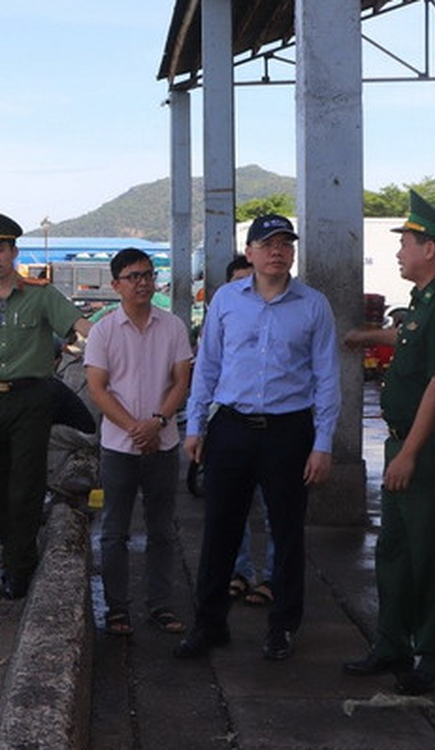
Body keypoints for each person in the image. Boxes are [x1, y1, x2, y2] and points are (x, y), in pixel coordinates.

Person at [174, 214, 341, 661]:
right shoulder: (226, 300)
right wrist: (196, 425)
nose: (277, 252)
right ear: (250, 252)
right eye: (267, 244)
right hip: (232, 427)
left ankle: (282, 626)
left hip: (289, 430)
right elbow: (207, 365)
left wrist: (323, 442)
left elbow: (327, 377)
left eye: (285, 244)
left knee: (287, 533)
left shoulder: (314, 305)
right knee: (219, 530)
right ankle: (209, 624)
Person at [342, 190, 435, 695]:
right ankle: (392, 644)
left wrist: (411, 454)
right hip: (405, 445)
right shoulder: (426, 298)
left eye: (405, 243)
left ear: (430, 249)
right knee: (395, 552)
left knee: (431, 554)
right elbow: (411, 340)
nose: (399, 252)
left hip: (431, 448)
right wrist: (367, 336)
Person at [0, 210, 92, 599]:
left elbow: (81, 328)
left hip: (32, 398)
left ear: (14, 252)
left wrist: (118, 341)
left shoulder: (40, 294)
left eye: (0, 250)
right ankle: (13, 555)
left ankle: (19, 569)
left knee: (26, 485)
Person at [85, 248, 193, 637]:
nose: (143, 283)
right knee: (114, 530)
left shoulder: (173, 327)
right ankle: (117, 609)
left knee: (162, 528)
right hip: (119, 446)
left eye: (148, 275)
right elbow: (98, 389)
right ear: (116, 285)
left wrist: (157, 422)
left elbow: (181, 381)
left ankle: (160, 605)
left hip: (163, 443)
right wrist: (136, 428)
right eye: (133, 277)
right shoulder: (103, 331)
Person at [222, 254, 275, 607]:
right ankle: (240, 571)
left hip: (278, 428)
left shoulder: (289, 313)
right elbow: (209, 366)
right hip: (233, 424)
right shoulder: (224, 314)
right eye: (239, 281)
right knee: (234, 508)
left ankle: (273, 577)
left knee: (276, 510)